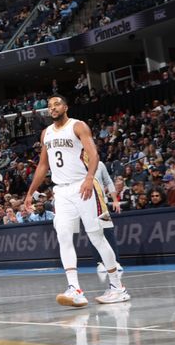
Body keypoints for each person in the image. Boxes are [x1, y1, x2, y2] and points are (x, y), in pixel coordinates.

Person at [25, 95, 129, 307]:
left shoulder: (78, 126)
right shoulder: (46, 133)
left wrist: (90, 178)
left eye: (57, 104)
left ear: (65, 106)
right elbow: (43, 166)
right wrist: (30, 192)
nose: (53, 108)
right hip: (61, 192)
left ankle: (118, 287)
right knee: (64, 237)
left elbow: (94, 154)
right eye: (50, 106)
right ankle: (75, 289)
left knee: (96, 237)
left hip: (83, 186)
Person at [92, 161, 123, 273]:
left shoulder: (99, 164)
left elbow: (108, 181)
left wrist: (115, 200)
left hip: (101, 203)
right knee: (94, 233)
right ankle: (100, 263)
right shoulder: (77, 163)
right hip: (86, 204)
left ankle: (115, 261)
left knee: (108, 231)